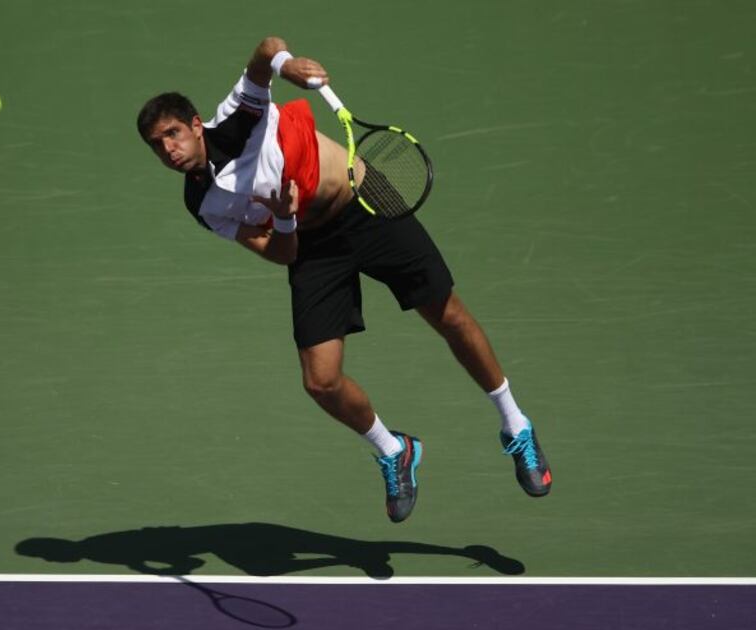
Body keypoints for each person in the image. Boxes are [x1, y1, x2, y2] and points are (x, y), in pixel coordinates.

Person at [136, 37, 551, 523]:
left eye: (172, 134)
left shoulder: (236, 116)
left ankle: (514, 423)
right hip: (313, 245)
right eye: (156, 146)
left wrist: (286, 65)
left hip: (364, 203)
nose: (168, 150)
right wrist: (286, 219)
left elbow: (266, 50)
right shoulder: (201, 203)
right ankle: (394, 449)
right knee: (320, 381)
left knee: (449, 316)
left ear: (193, 124)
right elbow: (279, 252)